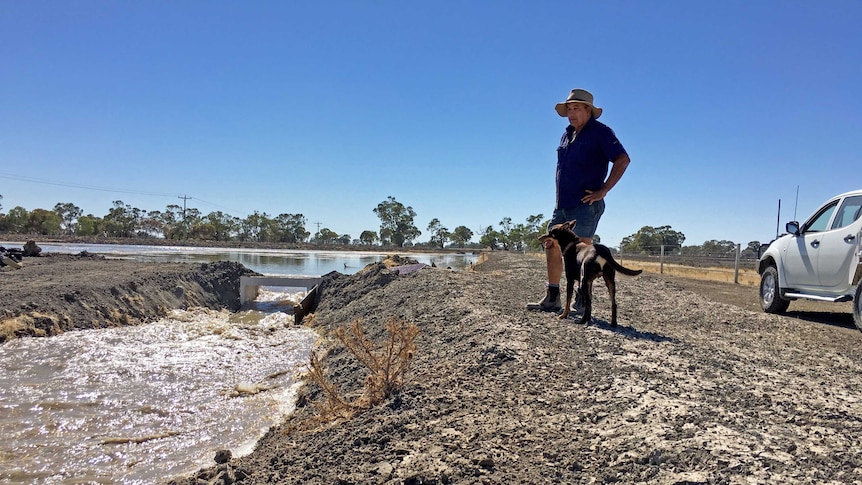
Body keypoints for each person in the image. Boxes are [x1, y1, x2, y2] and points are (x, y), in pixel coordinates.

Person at [527, 88, 631, 313]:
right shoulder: (567, 134)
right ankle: (552, 296)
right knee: (551, 245)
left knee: (582, 253)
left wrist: (603, 190)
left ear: (588, 110)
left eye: (576, 108)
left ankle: (582, 300)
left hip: (585, 204)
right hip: (562, 205)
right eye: (569, 109)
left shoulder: (601, 132)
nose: (571, 113)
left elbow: (623, 159)